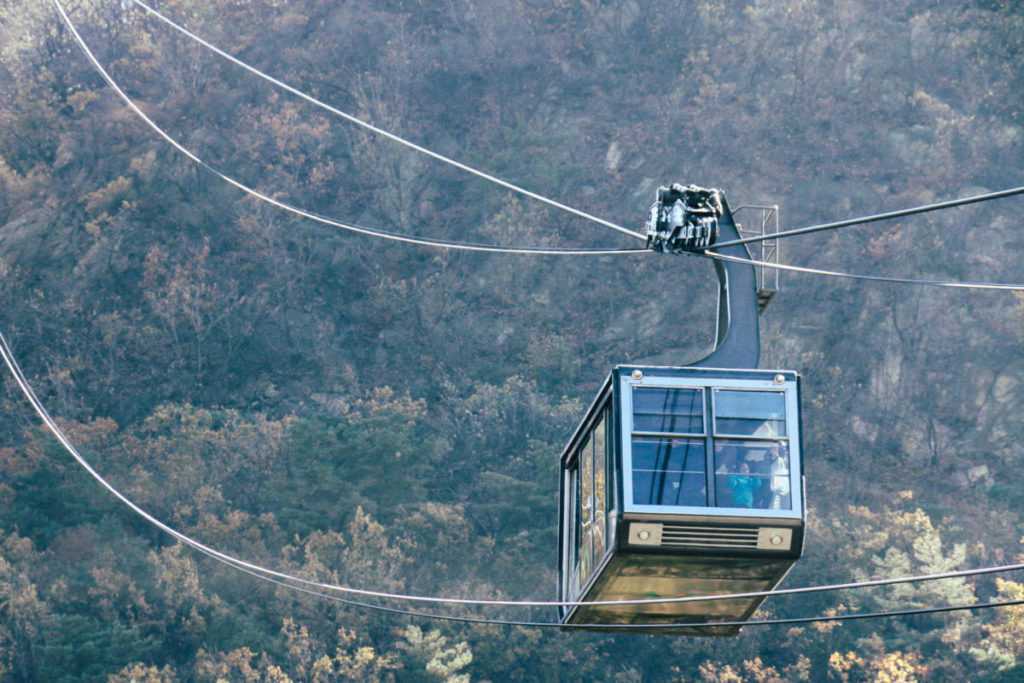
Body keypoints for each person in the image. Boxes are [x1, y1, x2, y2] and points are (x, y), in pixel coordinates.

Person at [769, 444, 790, 510]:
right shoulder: (776, 461)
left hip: (783, 489)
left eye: (774, 449)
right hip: (778, 488)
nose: (771, 451)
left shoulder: (781, 460)